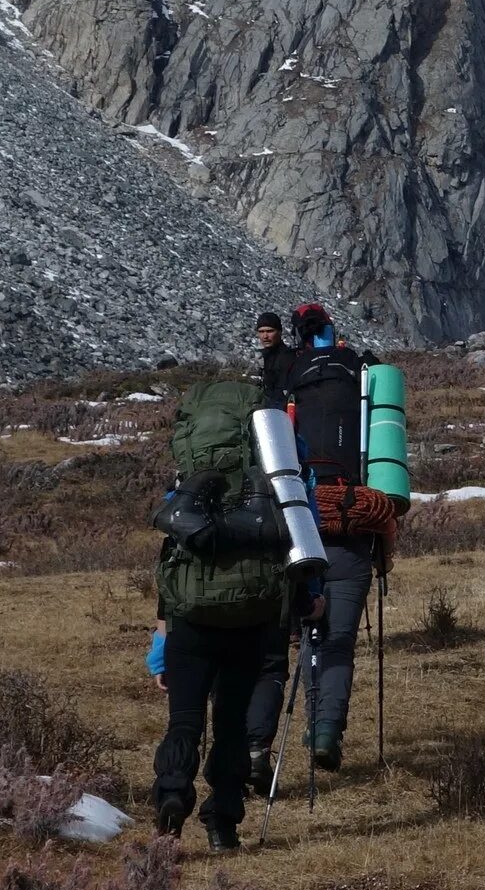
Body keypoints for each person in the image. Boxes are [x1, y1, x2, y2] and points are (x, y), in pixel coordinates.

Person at [149, 375, 320, 851]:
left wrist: (160, 645)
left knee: (184, 720)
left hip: (190, 618)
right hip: (253, 617)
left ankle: (172, 795)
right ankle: (222, 823)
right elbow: (298, 540)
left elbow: (169, 562)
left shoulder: (186, 482)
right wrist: (307, 602)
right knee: (230, 724)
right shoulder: (274, 475)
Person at [244, 300, 398, 775]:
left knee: (308, 629)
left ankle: (274, 739)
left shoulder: (289, 371)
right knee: (340, 640)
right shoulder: (359, 368)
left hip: (300, 523)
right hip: (355, 523)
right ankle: (326, 731)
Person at [254, 312, 291, 400]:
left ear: (280, 332)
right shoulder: (264, 357)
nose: (265, 336)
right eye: (261, 332)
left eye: (270, 331)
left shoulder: (288, 358)